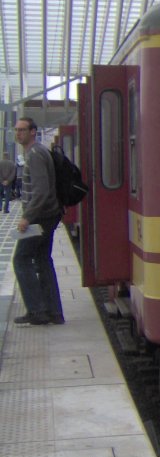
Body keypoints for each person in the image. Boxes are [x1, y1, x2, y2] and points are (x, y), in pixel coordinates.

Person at [13, 117, 64, 325]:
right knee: (43, 260)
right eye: (16, 130)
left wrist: (27, 217)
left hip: (39, 218)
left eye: (22, 130)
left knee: (21, 259)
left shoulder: (35, 154)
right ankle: (54, 312)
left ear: (33, 131)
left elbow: (41, 191)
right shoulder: (38, 152)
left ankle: (36, 311)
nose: (18, 133)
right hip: (48, 216)